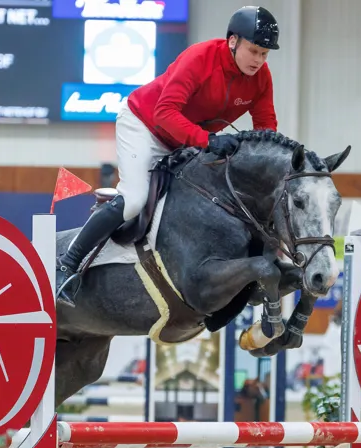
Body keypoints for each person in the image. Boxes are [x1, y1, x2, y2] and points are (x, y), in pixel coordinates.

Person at [56, 5, 281, 306]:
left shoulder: (261, 77)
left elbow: (266, 128)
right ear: (233, 41)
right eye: (254, 51)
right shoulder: (200, 58)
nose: (259, 60)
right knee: (135, 199)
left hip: (188, 142)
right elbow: (164, 113)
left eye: (265, 54)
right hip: (145, 126)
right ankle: (67, 267)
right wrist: (207, 140)